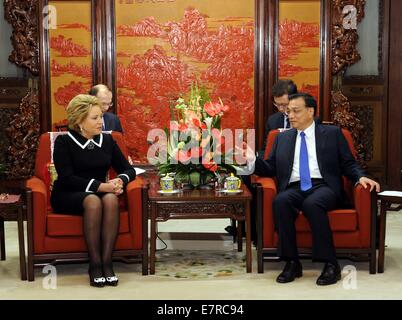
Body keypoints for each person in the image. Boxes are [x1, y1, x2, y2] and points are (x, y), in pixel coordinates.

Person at [249, 93, 380, 286]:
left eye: (295, 111)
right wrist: (253, 161)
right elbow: (270, 169)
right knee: (280, 202)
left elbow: (348, 163)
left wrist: (361, 176)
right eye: (288, 111)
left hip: (324, 186)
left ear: (310, 111)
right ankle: (292, 262)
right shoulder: (282, 138)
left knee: (313, 204)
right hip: (294, 186)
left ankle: (330, 264)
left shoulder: (333, 133)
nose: (290, 115)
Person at [50, 94, 136, 287]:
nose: (101, 122)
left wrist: (119, 181)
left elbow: (128, 169)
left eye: (101, 117)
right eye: (95, 118)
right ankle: (94, 264)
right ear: (80, 121)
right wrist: (101, 186)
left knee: (111, 199)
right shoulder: (64, 143)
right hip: (68, 194)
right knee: (93, 200)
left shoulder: (107, 141)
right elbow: (67, 178)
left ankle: (107, 262)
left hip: (98, 191)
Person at [260, 79, 298, 156]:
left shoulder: (307, 119)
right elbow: (267, 150)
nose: (280, 109)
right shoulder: (272, 121)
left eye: (284, 104)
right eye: (277, 104)